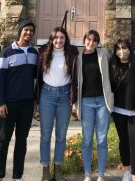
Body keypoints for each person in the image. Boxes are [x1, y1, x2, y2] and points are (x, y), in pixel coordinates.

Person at [0, 20, 38, 181]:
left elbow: (37, 78)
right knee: (4, 140)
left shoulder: (34, 53)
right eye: (26, 30)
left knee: (22, 141)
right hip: (8, 105)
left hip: (26, 104)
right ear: (20, 31)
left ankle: (18, 176)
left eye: (31, 31)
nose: (28, 33)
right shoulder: (6, 53)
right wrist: (0, 102)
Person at [36, 27, 78, 181]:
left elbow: (76, 77)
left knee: (61, 136)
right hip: (46, 95)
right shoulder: (43, 53)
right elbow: (37, 75)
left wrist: (75, 100)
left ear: (66, 39)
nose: (58, 40)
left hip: (64, 96)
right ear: (51, 39)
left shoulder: (73, 53)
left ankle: (58, 169)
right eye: (56, 38)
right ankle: (45, 169)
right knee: (45, 135)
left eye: (62, 37)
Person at [75, 30, 114, 181]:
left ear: (98, 43)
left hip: (102, 102)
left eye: (94, 40)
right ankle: (87, 173)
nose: (91, 43)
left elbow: (113, 71)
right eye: (88, 39)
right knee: (87, 139)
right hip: (86, 102)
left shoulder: (103, 54)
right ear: (84, 40)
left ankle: (101, 174)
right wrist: (74, 103)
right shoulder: (78, 57)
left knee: (102, 139)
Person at [109, 38, 135, 181]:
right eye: (118, 49)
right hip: (118, 111)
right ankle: (127, 172)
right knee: (123, 141)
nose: (121, 51)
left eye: (124, 48)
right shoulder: (112, 66)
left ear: (130, 49)